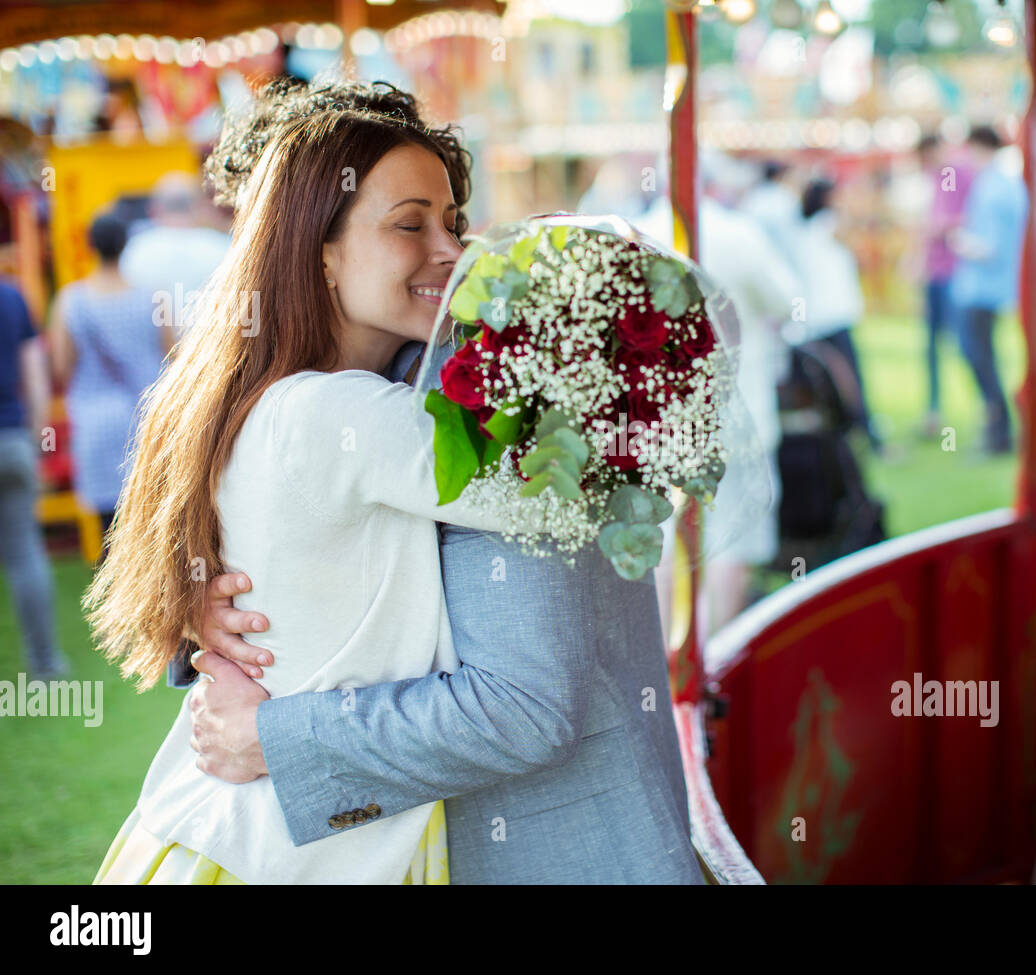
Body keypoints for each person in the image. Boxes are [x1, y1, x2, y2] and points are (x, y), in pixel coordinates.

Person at [90, 81, 702, 885]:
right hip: (277, 850)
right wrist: (612, 365)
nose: (453, 249)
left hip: (269, 832)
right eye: (408, 224)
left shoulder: (270, 395)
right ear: (319, 251)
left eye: (453, 222)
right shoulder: (342, 412)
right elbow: (536, 490)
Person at [636, 150, 796, 632]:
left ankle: (671, 653)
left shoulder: (632, 235)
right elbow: (787, 303)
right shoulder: (739, 234)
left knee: (665, 537)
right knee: (736, 540)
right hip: (736, 416)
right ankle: (716, 649)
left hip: (655, 420)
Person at [47, 213, 173, 546]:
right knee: (151, 526)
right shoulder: (152, 297)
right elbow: (172, 357)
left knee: (109, 532)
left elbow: (61, 366)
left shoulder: (71, 301)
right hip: (146, 416)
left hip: (95, 421)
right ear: (125, 244)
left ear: (91, 246)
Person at [788, 176, 885, 453]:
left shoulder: (806, 230)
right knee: (850, 377)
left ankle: (851, 429)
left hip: (821, 315)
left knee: (837, 376)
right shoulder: (827, 223)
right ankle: (866, 431)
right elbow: (856, 234)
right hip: (833, 315)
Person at [0, 277, 66, 678]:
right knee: (25, 554)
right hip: (12, 442)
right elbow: (36, 378)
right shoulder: (11, 297)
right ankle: (45, 662)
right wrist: (38, 439)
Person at [949, 125, 1028, 455]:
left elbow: (991, 247)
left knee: (981, 361)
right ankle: (998, 431)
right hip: (992, 288)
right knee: (984, 359)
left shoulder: (993, 188)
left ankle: (998, 434)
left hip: (983, 289)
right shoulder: (1005, 184)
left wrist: (960, 242)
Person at [118, 171, 230, 325]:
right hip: (210, 345)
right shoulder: (222, 248)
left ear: (154, 209)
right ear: (197, 206)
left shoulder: (135, 250)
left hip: (156, 347)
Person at [915, 134, 973, 438]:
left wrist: (939, 228)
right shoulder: (938, 179)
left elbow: (965, 217)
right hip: (935, 273)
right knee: (931, 347)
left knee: (964, 345)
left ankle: (988, 410)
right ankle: (933, 411)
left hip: (953, 272)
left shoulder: (955, 173)